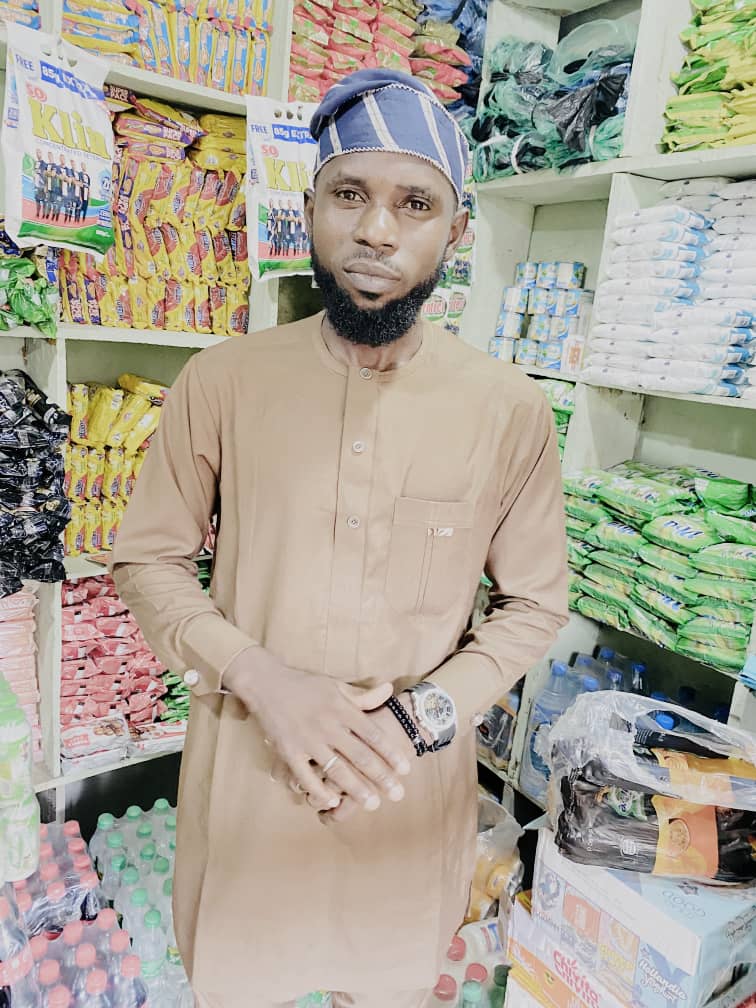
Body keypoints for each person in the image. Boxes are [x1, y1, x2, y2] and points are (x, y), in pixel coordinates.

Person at [111, 69, 568, 1008]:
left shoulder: (509, 410)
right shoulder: (222, 381)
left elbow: (533, 604)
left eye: (415, 204)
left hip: (406, 807)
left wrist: (419, 718)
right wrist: (259, 677)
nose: (377, 232)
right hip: (249, 793)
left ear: (457, 231)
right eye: (349, 195)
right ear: (309, 210)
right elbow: (149, 558)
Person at [33, 149, 47, 219]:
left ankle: (44, 214)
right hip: (36, 185)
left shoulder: (44, 164)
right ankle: (37, 213)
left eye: (39, 152)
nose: (37, 154)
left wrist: (45, 186)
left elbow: (45, 175)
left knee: (44, 201)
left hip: (42, 185)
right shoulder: (36, 163)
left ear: (41, 153)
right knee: (37, 200)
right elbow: (34, 174)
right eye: (36, 153)